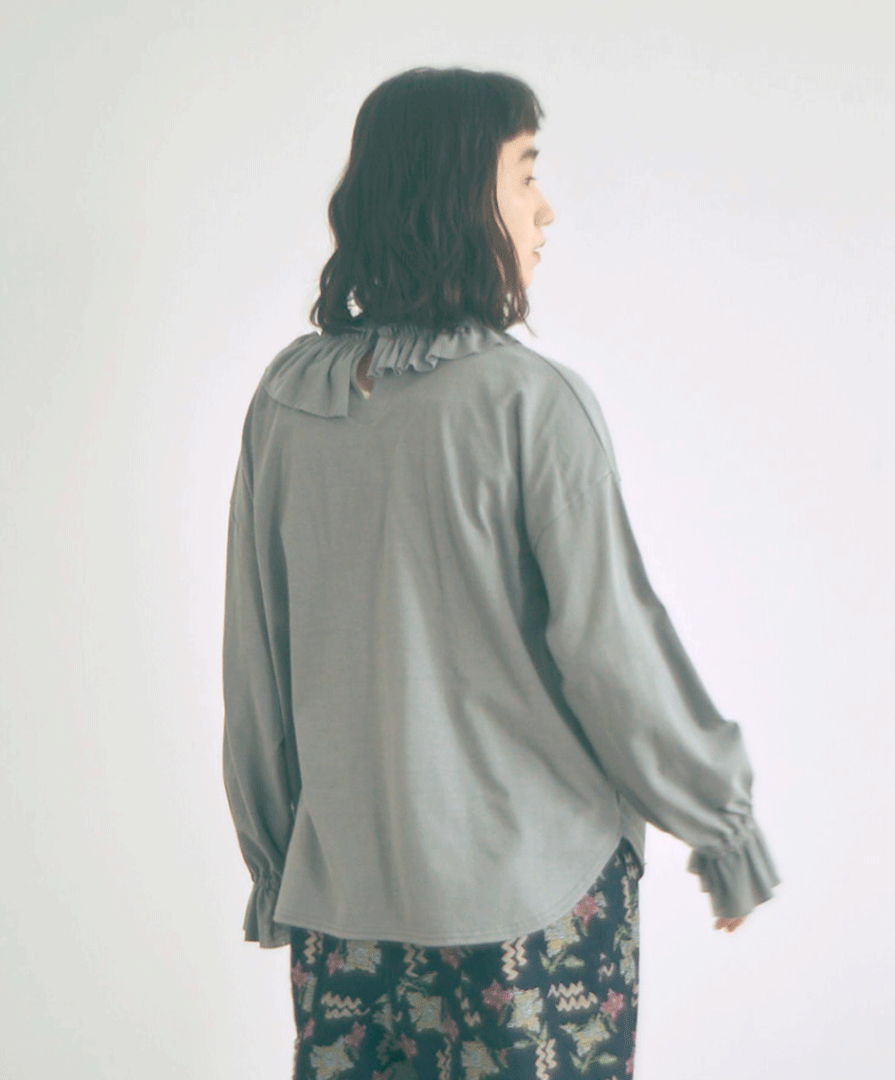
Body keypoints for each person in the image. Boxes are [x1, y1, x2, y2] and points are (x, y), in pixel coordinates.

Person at [222, 65, 780, 1080]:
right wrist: (723, 826)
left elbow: (256, 655)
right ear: (456, 197)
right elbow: (614, 650)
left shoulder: (289, 401)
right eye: (524, 174)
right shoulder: (529, 402)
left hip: (346, 911)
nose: (545, 207)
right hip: (536, 909)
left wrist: (276, 861)